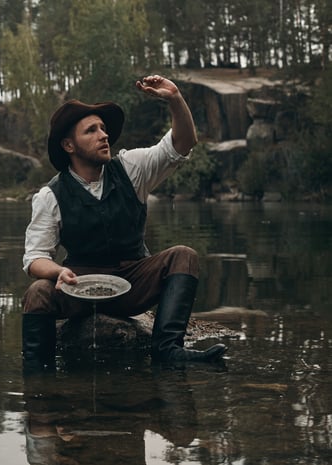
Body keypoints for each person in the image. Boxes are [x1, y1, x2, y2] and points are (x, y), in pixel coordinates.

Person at [21, 75, 228, 372]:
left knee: (183, 256)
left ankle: (168, 351)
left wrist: (175, 98)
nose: (103, 135)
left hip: (133, 282)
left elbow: (182, 143)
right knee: (38, 292)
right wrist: (58, 272)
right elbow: (34, 259)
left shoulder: (131, 168)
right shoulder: (50, 195)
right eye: (91, 131)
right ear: (69, 145)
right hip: (80, 287)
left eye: (103, 129)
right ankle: (36, 374)